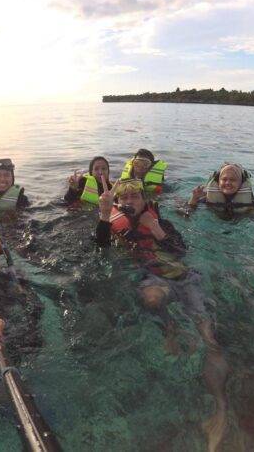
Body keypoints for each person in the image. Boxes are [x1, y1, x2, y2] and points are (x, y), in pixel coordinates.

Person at [96, 177, 229, 452]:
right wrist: (104, 214)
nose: (130, 202)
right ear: (119, 203)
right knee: (153, 297)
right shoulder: (114, 226)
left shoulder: (162, 223)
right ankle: (170, 329)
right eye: (125, 198)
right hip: (153, 281)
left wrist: (155, 227)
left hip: (185, 278)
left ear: (145, 201)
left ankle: (220, 408)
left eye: (135, 197)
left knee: (208, 337)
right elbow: (99, 247)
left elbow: (181, 251)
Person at [186, 163, 254, 218]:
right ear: (218, 181)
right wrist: (194, 198)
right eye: (224, 179)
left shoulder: (253, 203)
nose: (228, 183)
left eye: (233, 180)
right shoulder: (206, 199)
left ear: (241, 183)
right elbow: (187, 213)